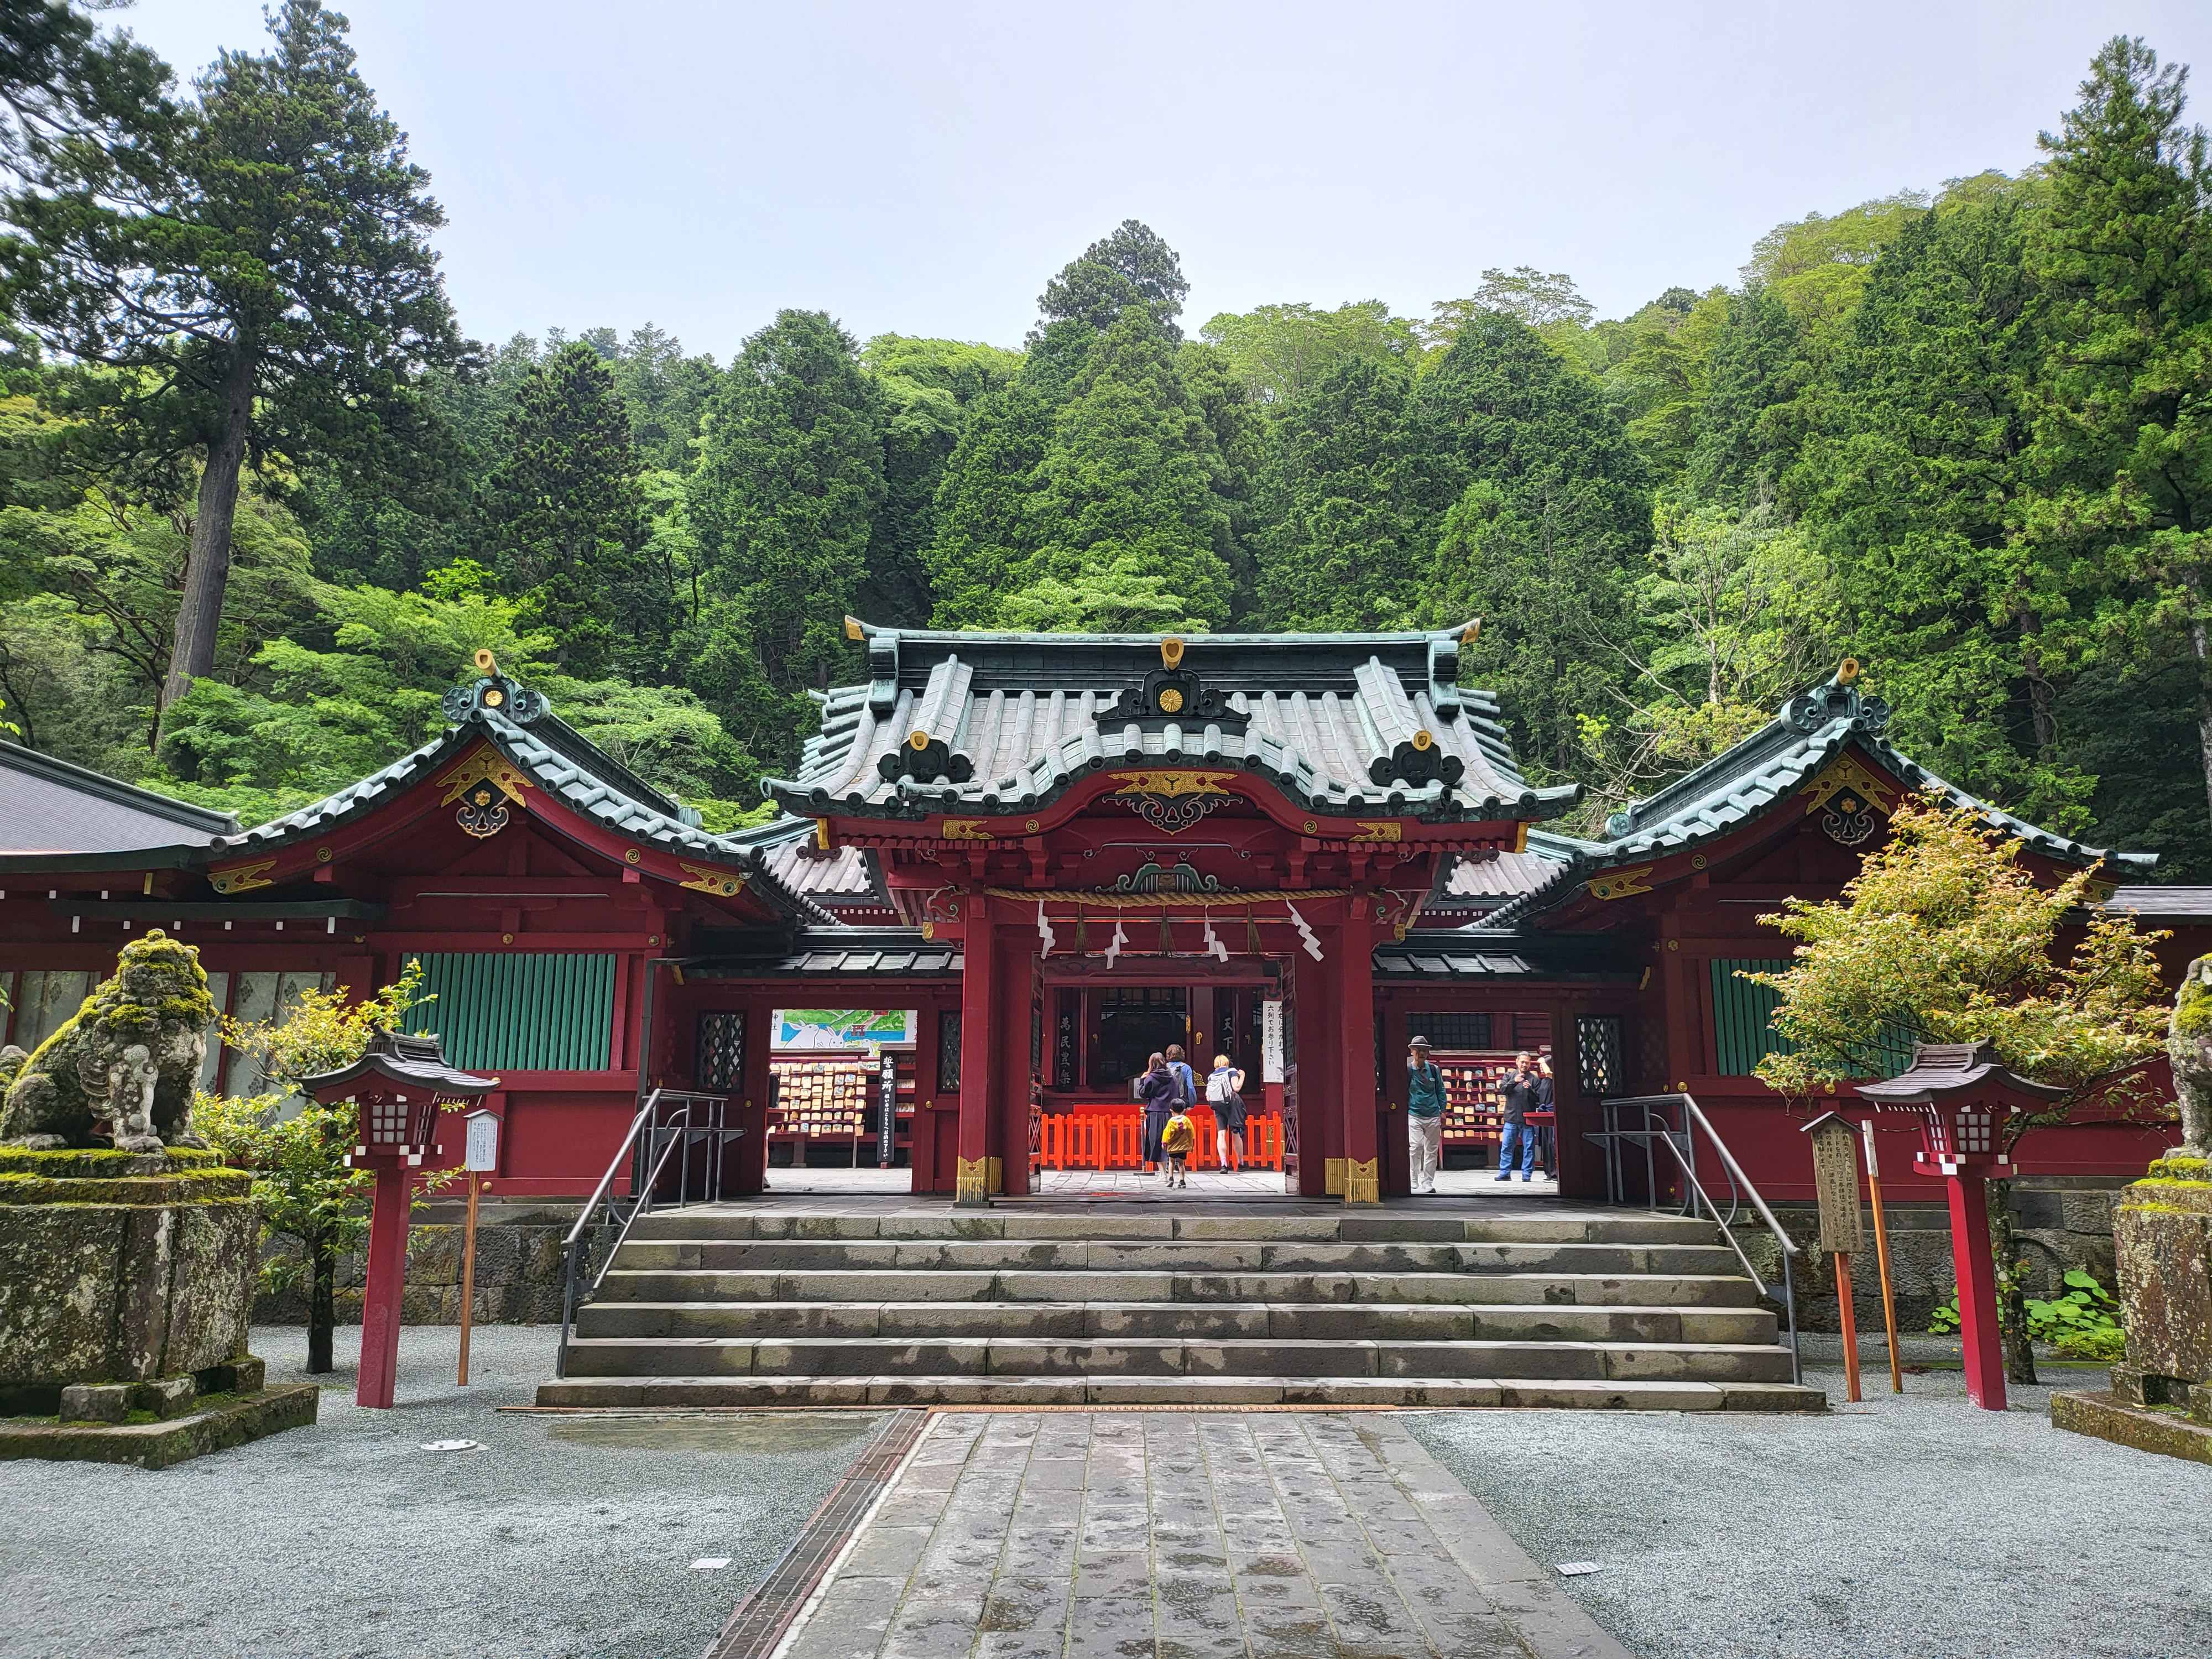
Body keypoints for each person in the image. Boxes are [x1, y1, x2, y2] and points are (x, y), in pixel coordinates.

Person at [1406, 1036, 1447, 1195]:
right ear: (1412, 1052)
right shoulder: (1408, 1070)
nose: (1421, 1053)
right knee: (1415, 1147)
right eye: (1418, 1050)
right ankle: (1413, 1177)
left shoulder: (1434, 1070)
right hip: (1414, 1113)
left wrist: (1443, 1111)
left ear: (1428, 1053)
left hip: (1433, 1114)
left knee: (1432, 1149)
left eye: (1424, 1050)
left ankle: (1428, 1181)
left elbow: (1441, 1091)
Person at [1495, 1051, 1538, 1182]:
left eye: (1527, 1062)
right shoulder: (1509, 1075)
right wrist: (1514, 1082)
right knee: (1507, 1146)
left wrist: (1530, 1090)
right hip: (1511, 1118)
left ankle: (1527, 1174)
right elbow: (1503, 1089)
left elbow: (1539, 1099)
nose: (1524, 1064)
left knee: (1529, 1148)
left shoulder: (1534, 1079)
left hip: (1528, 1119)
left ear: (1530, 1063)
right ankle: (1505, 1172)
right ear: (1517, 1062)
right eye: (1522, 1062)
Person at [1207, 1052, 1248, 1172]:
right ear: (1226, 1062)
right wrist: (1243, 1076)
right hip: (1231, 1105)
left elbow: (1208, 1095)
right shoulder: (1232, 1072)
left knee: (1222, 1134)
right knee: (1236, 1134)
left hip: (1218, 1105)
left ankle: (1224, 1164)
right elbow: (1237, 1088)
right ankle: (1240, 1164)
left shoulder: (1211, 1076)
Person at [1138, 1051, 1177, 1175]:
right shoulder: (1173, 1078)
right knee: (1169, 1142)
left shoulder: (1151, 1078)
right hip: (1170, 1113)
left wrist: (1142, 1081)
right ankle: (1169, 1172)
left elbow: (1143, 1093)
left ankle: (1163, 1174)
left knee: (1157, 1142)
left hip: (1155, 1112)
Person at [1160, 1100, 1195, 1188]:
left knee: (1171, 1162)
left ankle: (1171, 1179)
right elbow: (1192, 1132)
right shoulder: (1186, 1120)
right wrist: (1192, 1144)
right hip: (1183, 1145)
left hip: (1173, 1146)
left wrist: (1164, 1143)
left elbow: (1166, 1133)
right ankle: (1182, 1181)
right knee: (1181, 1164)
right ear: (1184, 1110)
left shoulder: (1171, 1122)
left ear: (1171, 1111)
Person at [1533, 1055, 1556, 1178]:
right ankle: (1549, 1172)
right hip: (1544, 1112)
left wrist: (1543, 1062)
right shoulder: (1544, 1081)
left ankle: (1556, 1171)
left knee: (1553, 1143)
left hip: (1553, 1113)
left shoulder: (1555, 1078)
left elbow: (1549, 1072)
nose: (1541, 1068)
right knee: (1546, 1144)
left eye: (1544, 1066)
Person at [1164, 1044, 1197, 1114]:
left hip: (1165, 1101)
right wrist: (1191, 1103)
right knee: (1180, 1124)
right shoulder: (1186, 1068)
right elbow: (1190, 1087)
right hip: (1180, 1102)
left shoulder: (1163, 1067)